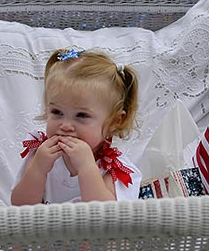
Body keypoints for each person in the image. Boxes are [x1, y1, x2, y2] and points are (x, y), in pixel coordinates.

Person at [11, 48, 141, 205]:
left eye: (81, 115)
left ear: (115, 122)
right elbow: (19, 207)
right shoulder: (41, 155)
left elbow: (108, 219)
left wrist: (87, 167)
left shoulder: (113, 169)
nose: (65, 126)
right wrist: (38, 169)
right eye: (57, 112)